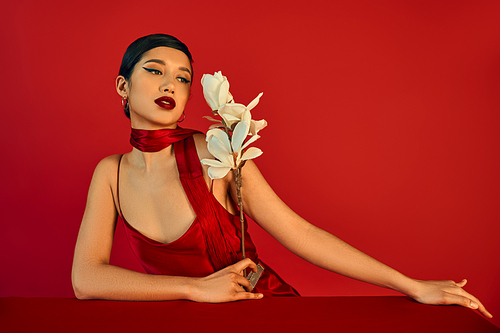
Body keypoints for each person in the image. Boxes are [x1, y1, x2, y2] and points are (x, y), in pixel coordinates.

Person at [71, 34, 492, 318]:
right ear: (123, 87)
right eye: (155, 70)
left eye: (183, 78)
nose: (171, 84)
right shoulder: (110, 173)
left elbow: (298, 232)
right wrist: (195, 290)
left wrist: (412, 286)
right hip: (183, 319)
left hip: (261, 311)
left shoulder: (218, 152)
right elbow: (86, 279)